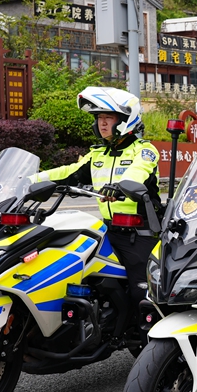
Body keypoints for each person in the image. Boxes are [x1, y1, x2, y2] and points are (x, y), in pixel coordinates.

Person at [31, 86, 161, 333]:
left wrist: (120, 186)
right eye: (100, 118)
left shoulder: (144, 150)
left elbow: (139, 171)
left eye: (108, 118)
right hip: (107, 229)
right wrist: (29, 180)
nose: (102, 124)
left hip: (139, 233)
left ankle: (153, 343)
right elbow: (67, 173)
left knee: (142, 291)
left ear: (125, 120)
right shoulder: (97, 155)